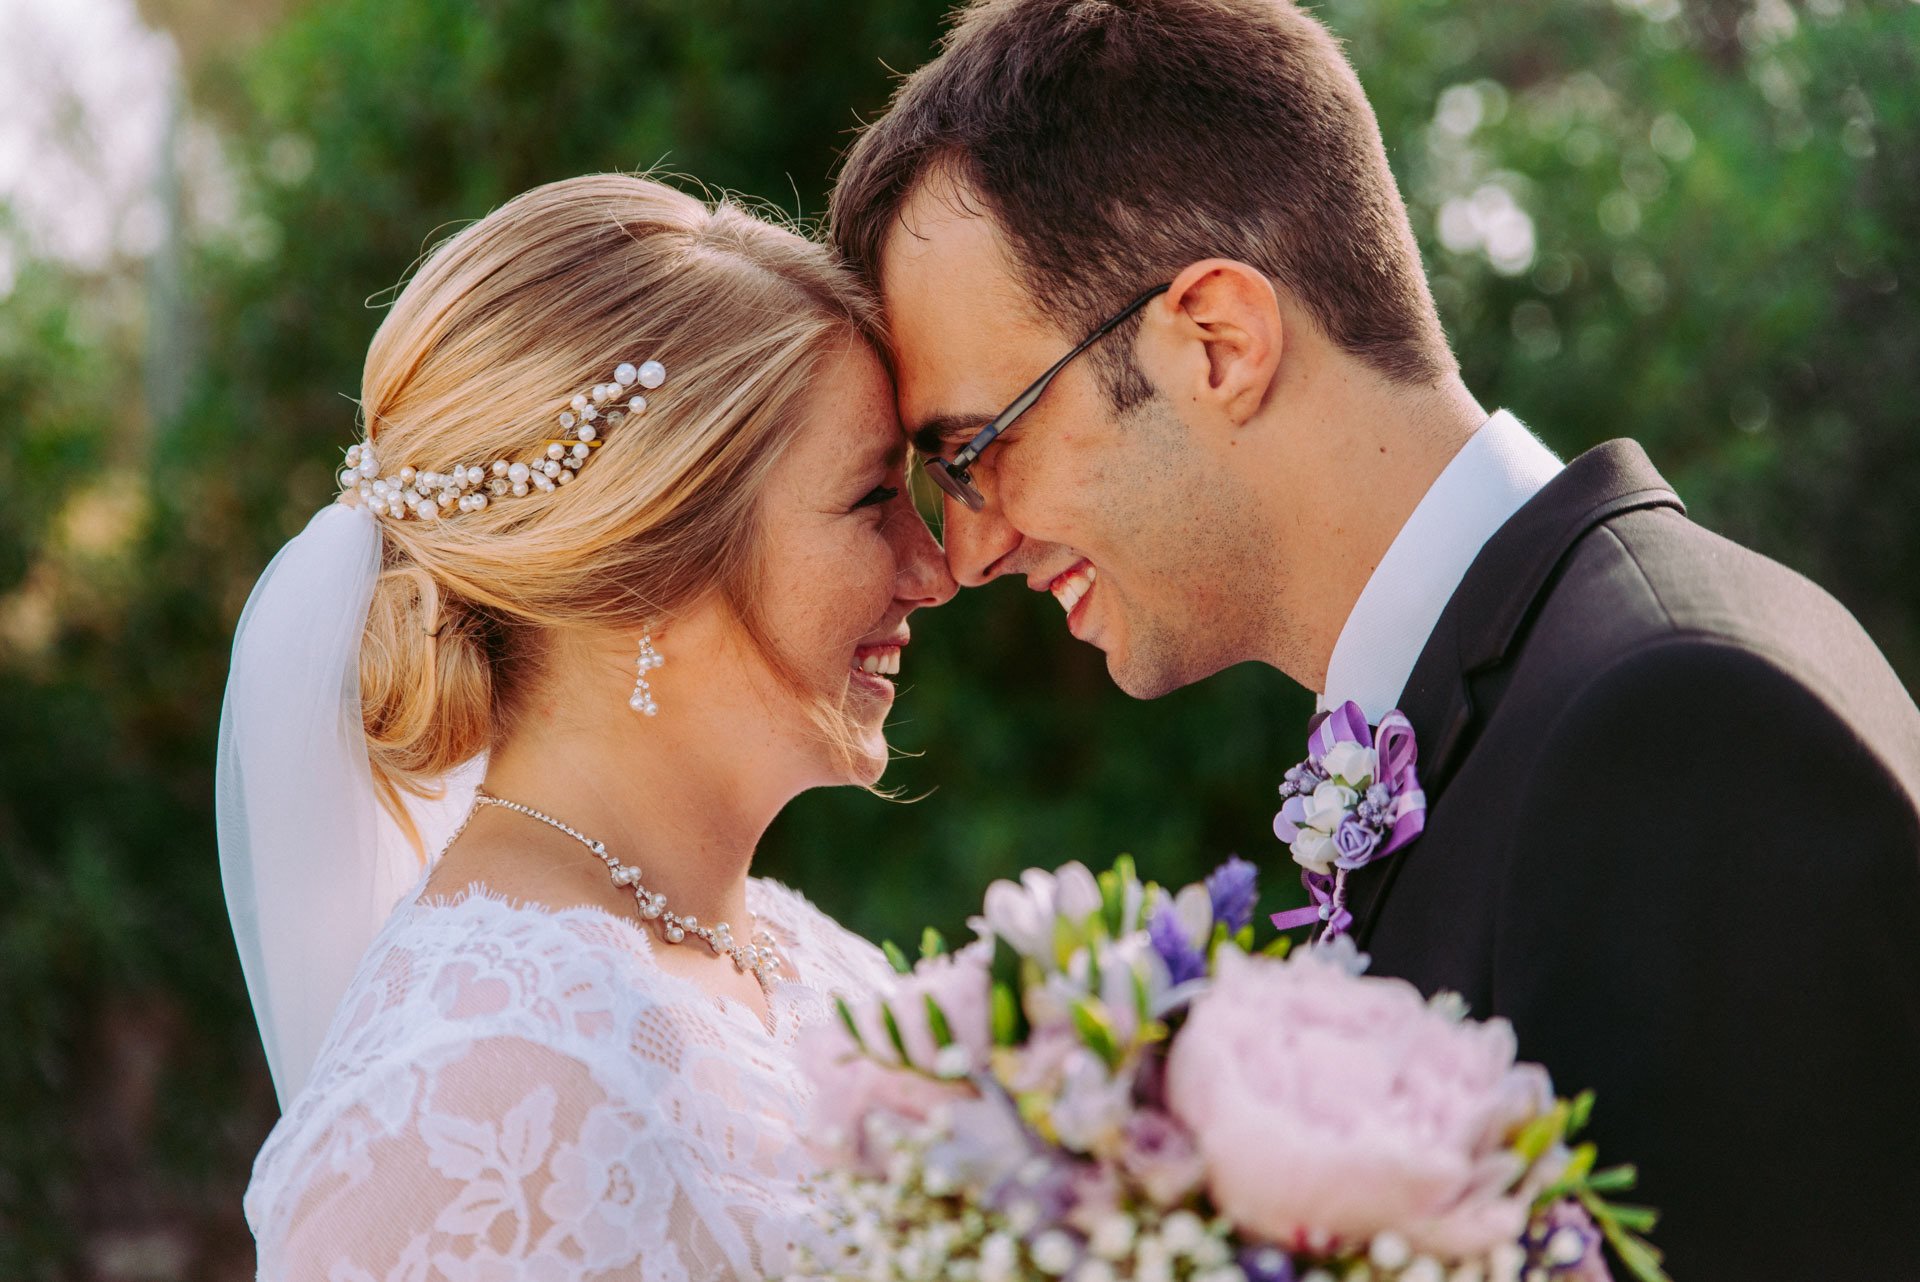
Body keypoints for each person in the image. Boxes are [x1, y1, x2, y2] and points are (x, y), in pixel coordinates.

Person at [827, 1, 1920, 1277]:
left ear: (1217, 342)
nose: (968, 547)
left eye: (975, 448)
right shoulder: (1541, 696)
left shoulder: (1674, 724)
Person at [216, 174, 955, 1280]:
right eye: (869, 500)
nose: (934, 570)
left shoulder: (812, 964)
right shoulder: (463, 1104)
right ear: (649, 565)